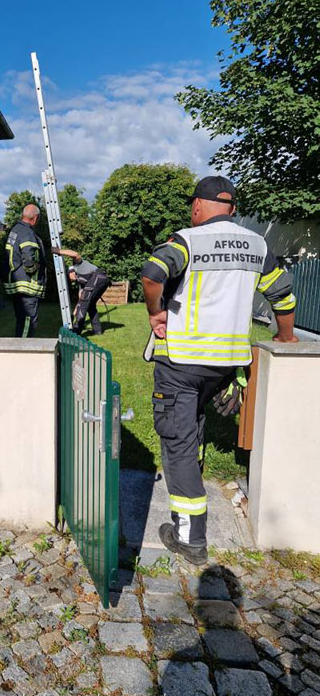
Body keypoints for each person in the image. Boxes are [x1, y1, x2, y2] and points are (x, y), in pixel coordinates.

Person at [141, 175, 298, 566]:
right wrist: (286, 336)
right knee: (192, 430)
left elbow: (152, 274)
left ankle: (190, 536)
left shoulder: (186, 241)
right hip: (225, 365)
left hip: (181, 362)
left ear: (198, 206)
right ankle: (186, 510)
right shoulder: (257, 245)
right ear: (232, 208)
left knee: (177, 442)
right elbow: (282, 294)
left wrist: (155, 311)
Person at [3, 204, 47, 337]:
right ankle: (25, 352)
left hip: (17, 284)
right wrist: (34, 269)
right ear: (35, 218)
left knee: (21, 321)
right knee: (28, 323)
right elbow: (28, 257)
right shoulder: (27, 233)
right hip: (28, 285)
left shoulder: (15, 230)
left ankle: (19, 350)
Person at [51, 247, 111, 335]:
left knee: (84, 305)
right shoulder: (81, 282)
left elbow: (75, 254)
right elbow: (80, 300)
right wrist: (73, 314)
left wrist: (59, 251)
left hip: (98, 278)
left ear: (71, 272)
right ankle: (97, 331)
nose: (71, 279)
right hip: (102, 281)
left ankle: (76, 331)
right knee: (90, 305)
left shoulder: (78, 264)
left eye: (70, 276)